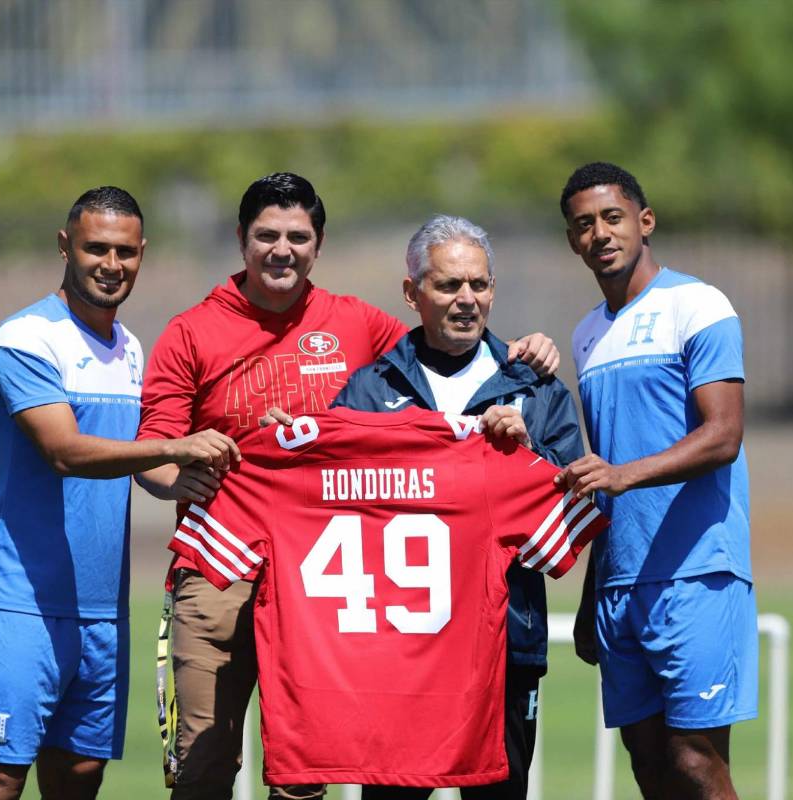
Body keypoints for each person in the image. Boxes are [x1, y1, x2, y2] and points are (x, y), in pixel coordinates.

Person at [136, 173, 561, 800]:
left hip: (328, 582)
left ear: (318, 243)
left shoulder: (359, 325)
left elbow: (446, 346)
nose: (283, 250)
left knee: (304, 774)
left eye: (298, 237)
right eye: (267, 236)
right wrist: (188, 481)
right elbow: (153, 455)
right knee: (204, 769)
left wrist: (520, 355)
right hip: (223, 563)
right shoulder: (192, 331)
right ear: (241, 240)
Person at [0, 187, 240, 800]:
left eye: (125, 252)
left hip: (101, 608)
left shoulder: (131, 349)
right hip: (15, 603)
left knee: (81, 775)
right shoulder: (25, 339)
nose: (111, 264)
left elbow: (143, 468)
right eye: (96, 248)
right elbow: (66, 451)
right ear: (65, 246)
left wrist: (206, 479)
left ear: (142, 254)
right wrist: (174, 448)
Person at [328, 214, 584, 799]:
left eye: (480, 284)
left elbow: (570, 525)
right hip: (400, 654)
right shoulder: (366, 393)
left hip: (503, 648)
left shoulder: (539, 390)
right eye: (448, 285)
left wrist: (528, 452)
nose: (467, 299)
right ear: (412, 293)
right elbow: (327, 504)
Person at [555, 163, 758, 800]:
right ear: (572, 241)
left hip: (696, 571)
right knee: (647, 764)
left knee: (695, 761)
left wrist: (623, 475)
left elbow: (723, 435)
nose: (600, 234)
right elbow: (603, 478)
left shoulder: (697, 304)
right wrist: (593, 592)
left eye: (612, 218)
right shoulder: (587, 335)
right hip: (621, 584)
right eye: (583, 225)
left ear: (645, 222)